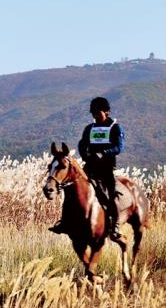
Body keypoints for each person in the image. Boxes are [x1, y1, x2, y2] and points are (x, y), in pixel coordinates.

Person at [49, 97, 126, 239]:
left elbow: (119, 147)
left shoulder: (115, 127)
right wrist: (85, 155)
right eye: (94, 114)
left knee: (110, 195)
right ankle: (64, 222)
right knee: (71, 190)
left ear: (106, 112)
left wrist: (103, 153)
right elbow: (81, 144)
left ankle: (114, 226)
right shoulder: (89, 129)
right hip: (90, 166)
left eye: (98, 113)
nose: (96, 116)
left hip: (107, 167)